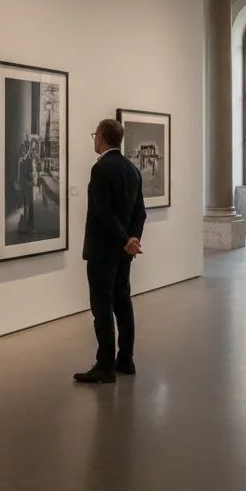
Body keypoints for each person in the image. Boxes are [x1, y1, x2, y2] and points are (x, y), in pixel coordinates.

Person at [74, 118, 146, 384]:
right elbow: (140, 212)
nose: (94, 140)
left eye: (95, 135)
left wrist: (123, 239)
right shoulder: (132, 169)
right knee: (123, 303)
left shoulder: (101, 169)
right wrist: (132, 239)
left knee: (102, 307)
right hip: (124, 252)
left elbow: (101, 213)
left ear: (102, 138)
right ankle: (125, 360)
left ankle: (105, 365)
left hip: (104, 251)